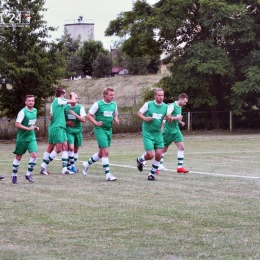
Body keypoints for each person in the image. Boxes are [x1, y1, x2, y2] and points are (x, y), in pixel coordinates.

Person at [82, 87, 119, 181]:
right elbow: (89, 115)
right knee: (106, 152)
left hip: (109, 130)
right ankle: (108, 175)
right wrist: (95, 123)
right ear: (105, 95)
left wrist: (116, 119)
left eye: (113, 95)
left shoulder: (114, 104)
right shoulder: (98, 104)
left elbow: (115, 115)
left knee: (101, 153)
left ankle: (86, 164)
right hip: (100, 130)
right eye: (111, 95)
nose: (113, 96)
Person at [40, 87, 76, 175]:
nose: (66, 95)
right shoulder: (59, 100)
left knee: (64, 146)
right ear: (61, 94)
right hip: (58, 127)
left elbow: (51, 116)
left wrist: (63, 121)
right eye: (65, 93)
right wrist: (72, 94)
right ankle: (44, 165)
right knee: (58, 148)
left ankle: (64, 169)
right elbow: (74, 101)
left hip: (58, 127)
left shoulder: (55, 103)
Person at [136, 88, 168, 181]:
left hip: (158, 133)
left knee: (159, 154)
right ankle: (140, 160)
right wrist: (145, 118)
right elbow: (139, 113)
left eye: (162, 95)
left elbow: (167, 118)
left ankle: (151, 174)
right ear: (155, 96)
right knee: (150, 155)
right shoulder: (148, 104)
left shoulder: (166, 107)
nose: (161, 97)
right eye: (159, 95)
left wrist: (169, 119)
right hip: (148, 132)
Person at [158, 93, 189, 174]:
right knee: (163, 149)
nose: (185, 104)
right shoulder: (171, 106)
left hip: (176, 130)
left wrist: (180, 121)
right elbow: (167, 117)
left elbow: (177, 117)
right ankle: (158, 165)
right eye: (185, 102)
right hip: (168, 130)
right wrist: (177, 118)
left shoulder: (180, 107)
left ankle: (180, 167)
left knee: (181, 147)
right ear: (181, 99)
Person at [11, 95, 39, 184]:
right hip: (22, 138)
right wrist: (28, 129)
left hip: (31, 137)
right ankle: (14, 175)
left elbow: (31, 123)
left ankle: (28, 174)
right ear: (25, 102)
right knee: (18, 157)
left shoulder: (35, 110)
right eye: (29, 101)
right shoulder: (22, 112)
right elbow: (17, 124)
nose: (31, 102)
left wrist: (35, 127)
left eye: (32, 100)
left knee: (34, 156)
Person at [64, 92, 87, 173]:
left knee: (76, 149)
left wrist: (74, 114)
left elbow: (83, 119)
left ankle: (72, 165)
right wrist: (66, 123)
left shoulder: (80, 107)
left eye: (77, 98)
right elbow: (61, 119)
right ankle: (72, 166)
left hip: (78, 130)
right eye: (74, 98)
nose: (76, 100)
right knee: (71, 148)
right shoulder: (65, 107)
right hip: (69, 131)